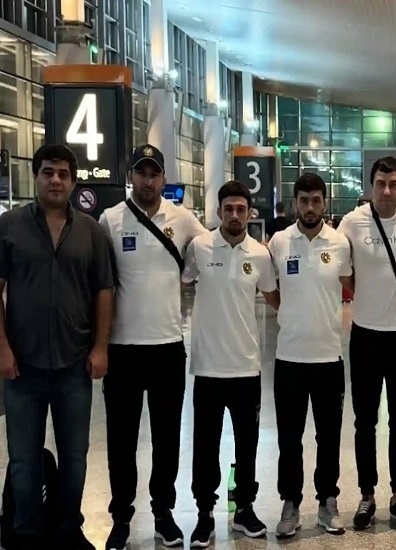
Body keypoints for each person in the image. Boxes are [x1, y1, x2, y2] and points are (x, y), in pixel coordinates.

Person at [0, 144, 115, 549]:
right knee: (24, 457)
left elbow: (104, 291)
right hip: (22, 366)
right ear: (36, 177)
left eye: (63, 174)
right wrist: (2, 348)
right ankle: (27, 533)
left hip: (73, 364)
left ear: (74, 181)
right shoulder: (10, 226)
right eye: (48, 172)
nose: (55, 180)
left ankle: (68, 529)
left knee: (75, 456)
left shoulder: (91, 231)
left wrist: (100, 348)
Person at [100, 144, 207, 550]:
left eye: (154, 173)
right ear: (131, 176)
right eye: (141, 173)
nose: (148, 180)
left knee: (166, 438)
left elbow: (212, 250)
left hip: (167, 348)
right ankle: (121, 518)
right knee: (121, 441)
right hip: (122, 349)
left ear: (164, 178)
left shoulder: (182, 219)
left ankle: (164, 513)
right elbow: (100, 283)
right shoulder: (110, 220)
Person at [181, 181, 278, 547]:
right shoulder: (199, 247)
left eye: (241, 209)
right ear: (219, 211)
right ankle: (205, 514)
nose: (235, 215)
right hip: (208, 368)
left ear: (250, 212)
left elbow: (275, 298)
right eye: (228, 209)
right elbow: (181, 281)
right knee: (205, 445)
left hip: (246, 368)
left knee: (247, 445)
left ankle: (244, 510)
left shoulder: (261, 255)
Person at [337, 156, 396, 530]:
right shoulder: (352, 222)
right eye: (380, 184)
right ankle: (367, 495)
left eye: (393, 184)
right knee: (365, 421)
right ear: (371, 185)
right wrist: (368, 295)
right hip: (365, 336)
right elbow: (345, 273)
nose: (386, 191)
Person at [269, 173, 352, 538]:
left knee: (328, 437)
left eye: (316, 200)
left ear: (324, 202)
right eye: (303, 200)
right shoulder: (278, 242)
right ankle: (290, 503)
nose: (309, 207)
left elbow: (349, 285)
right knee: (289, 438)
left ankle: (327, 501)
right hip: (289, 358)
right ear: (295, 203)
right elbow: (270, 291)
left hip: (328, 358)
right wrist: (291, 314)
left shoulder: (340, 243)